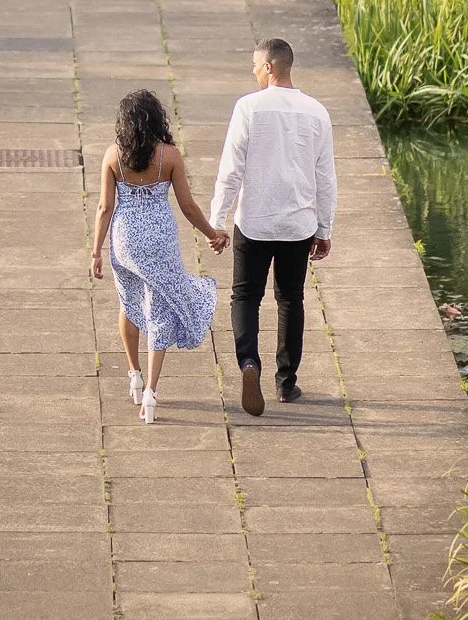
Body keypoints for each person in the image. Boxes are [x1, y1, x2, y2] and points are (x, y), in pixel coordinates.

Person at [209, 36, 336, 418]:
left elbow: (231, 170)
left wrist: (217, 221)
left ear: (269, 67)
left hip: (255, 221)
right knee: (290, 299)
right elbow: (325, 176)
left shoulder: (248, 108)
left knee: (245, 296)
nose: (252, 71)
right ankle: (286, 383)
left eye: (254, 65)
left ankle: (249, 364)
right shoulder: (317, 112)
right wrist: (324, 226)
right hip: (298, 223)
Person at [89, 88, 228, 424]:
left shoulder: (113, 156)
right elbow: (189, 206)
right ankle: (150, 393)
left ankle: (133, 373)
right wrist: (213, 234)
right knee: (159, 308)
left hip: (124, 241)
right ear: (156, 119)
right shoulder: (170, 157)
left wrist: (95, 252)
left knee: (129, 304)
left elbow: (105, 207)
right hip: (160, 241)